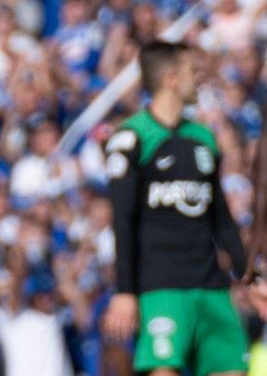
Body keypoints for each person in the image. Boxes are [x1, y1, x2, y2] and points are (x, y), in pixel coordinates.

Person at [101, 41, 249, 376]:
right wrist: (125, 292)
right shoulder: (132, 138)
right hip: (161, 286)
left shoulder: (203, 138)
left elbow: (222, 219)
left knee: (232, 369)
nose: (198, 78)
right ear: (171, 78)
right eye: (191, 71)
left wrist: (249, 277)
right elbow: (122, 220)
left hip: (211, 285)